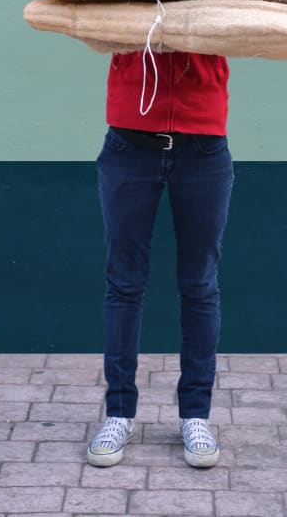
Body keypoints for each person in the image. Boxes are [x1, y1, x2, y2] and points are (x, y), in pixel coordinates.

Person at [86, 49, 234, 468]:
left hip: (203, 146)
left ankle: (195, 416)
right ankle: (118, 412)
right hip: (129, 144)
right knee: (124, 284)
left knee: (200, 284)